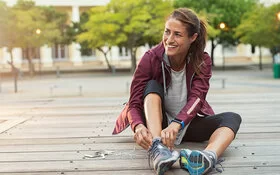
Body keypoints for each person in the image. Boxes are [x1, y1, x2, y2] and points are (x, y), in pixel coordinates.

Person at [112, 7, 241, 175]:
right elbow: (134, 102)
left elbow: (197, 98)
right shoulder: (150, 58)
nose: (169, 39)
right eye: (167, 32)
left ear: (192, 38)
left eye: (177, 34)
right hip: (158, 125)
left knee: (232, 118)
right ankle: (158, 149)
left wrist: (178, 123)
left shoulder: (202, 61)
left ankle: (208, 157)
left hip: (185, 124)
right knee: (151, 86)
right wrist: (138, 126)